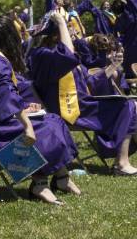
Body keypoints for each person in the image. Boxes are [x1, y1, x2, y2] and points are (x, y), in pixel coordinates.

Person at [0, 15, 81, 205]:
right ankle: (39, 183)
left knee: (53, 120)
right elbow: (5, 94)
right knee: (44, 129)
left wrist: (24, 107)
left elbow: (2, 95)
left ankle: (62, 178)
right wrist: (26, 123)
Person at [29, 12, 137, 175]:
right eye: (67, 30)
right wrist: (60, 22)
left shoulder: (63, 55)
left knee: (130, 104)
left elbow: (89, 83)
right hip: (65, 110)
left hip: (83, 105)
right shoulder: (42, 55)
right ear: (56, 35)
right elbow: (69, 55)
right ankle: (121, 163)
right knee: (127, 106)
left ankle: (120, 160)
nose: (73, 34)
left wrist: (112, 67)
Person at [116, 0, 137, 78]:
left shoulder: (120, 19)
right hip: (132, 43)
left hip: (129, 46)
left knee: (129, 69)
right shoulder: (132, 13)